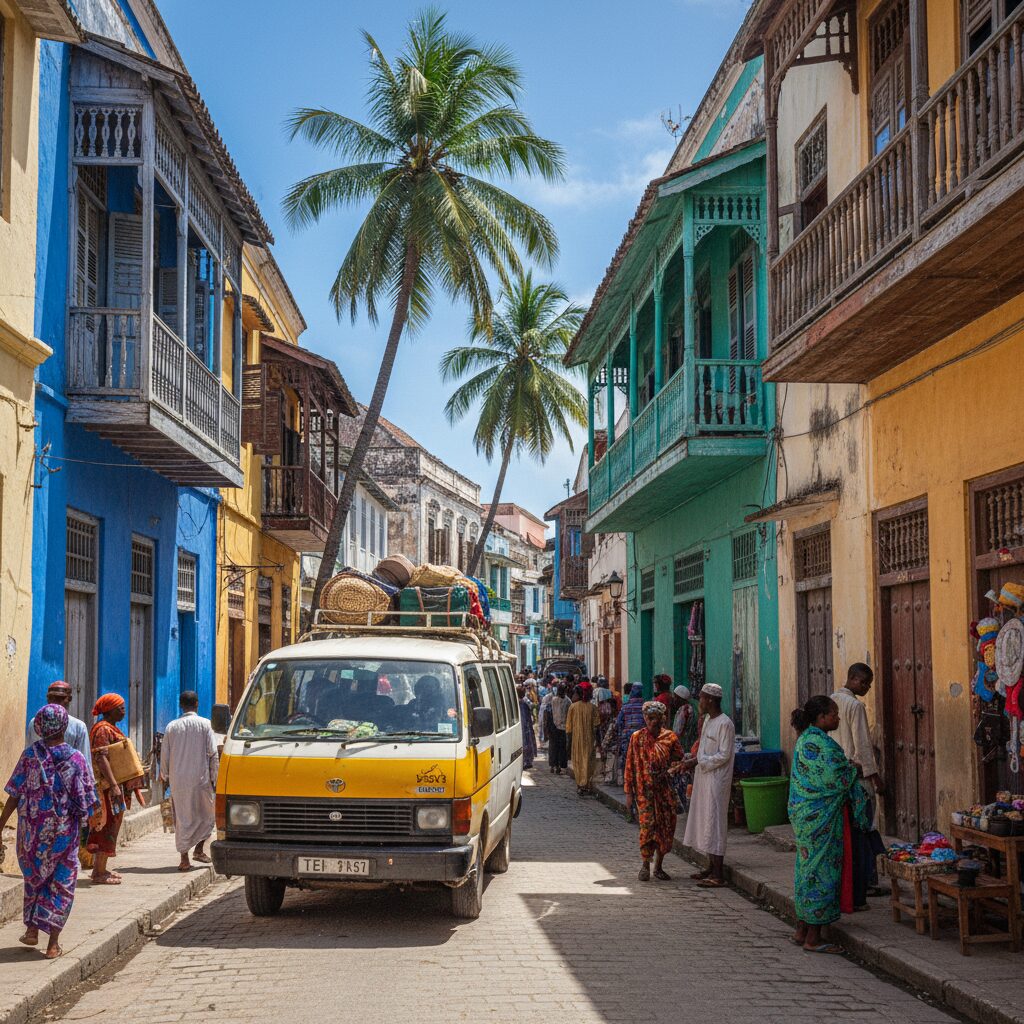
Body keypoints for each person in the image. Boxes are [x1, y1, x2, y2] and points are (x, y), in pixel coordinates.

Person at [0, 704, 98, 959]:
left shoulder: (30, 756)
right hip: (64, 836)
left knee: (34, 881)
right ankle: (53, 943)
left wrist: (0, 826)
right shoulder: (76, 759)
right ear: (65, 727)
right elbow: (87, 799)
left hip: (32, 836)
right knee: (61, 885)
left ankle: (32, 929)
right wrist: (92, 827)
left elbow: (13, 795)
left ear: (40, 727)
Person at [788, 694, 870, 953]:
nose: (837, 718)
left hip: (804, 818)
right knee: (822, 872)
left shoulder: (805, 740)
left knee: (805, 869)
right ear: (821, 718)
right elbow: (836, 777)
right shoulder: (822, 745)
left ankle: (801, 929)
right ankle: (813, 938)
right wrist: (854, 769)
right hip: (821, 820)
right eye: (834, 714)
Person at [832, 663, 886, 908]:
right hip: (858, 778)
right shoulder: (856, 706)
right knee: (865, 829)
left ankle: (852, 884)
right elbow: (863, 745)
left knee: (849, 833)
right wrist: (875, 776)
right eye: (864, 683)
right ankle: (866, 882)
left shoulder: (831, 701)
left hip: (838, 777)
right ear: (853, 679)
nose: (867, 687)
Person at [682, 683, 735, 888]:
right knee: (705, 819)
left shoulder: (725, 724)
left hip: (716, 779)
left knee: (715, 822)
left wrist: (698, 761)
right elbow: (703, 749)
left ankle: (718, 873)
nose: (700, 702)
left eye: (702, 698)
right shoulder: (706, 721)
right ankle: (710, 867)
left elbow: (724, 754)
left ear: (711, 700)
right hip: (704, 777)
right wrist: (692, 759)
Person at [624, 701, 685, 881]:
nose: (652, 723)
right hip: (644, 791)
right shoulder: (637, 738)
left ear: (662, 719)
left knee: (666, 827)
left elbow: (679, 759)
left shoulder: (670, 738)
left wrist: (670, 770)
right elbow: (630, 764)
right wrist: (629, 792)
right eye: (649, 719)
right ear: (645, 719)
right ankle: (645, 865)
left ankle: (658, 866)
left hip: (665, 791)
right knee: (647, 827)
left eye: (656, 719)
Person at [161, 691, 219, 872]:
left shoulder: (171, 727)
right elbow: (212, 753)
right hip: (200, 779)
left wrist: (165, 777)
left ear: (181, 705)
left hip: (178, 781)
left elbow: (165, 755)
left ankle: (185, 857)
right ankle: (199, 849)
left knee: (183, 818)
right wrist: (215, 777)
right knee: (207, 816)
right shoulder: (206, 725)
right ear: (197, 704)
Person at [86, 693, 140, 885]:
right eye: (120, 707)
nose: (123, 710)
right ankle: (98, 872)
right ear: (110, 710)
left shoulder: (110, 728)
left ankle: (100, 869)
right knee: (105, 827)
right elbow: (101, 758)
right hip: (108, 790)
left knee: (111, 827)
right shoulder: (102, 730)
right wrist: (115, 786)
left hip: (115, 788)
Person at [25, 682, 91, 768]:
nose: (55, 702)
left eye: (61, 699)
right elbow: (29, 757)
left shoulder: (78, 727)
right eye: (52, 698)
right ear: (47, 699)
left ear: (69, 699)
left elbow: (85, 763)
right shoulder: (35, 723)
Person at [565, 685, 601, 795]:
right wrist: (598, 742)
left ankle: (580, 785)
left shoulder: (573, 707)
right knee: (588, 762)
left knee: (578, 762)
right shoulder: (593, 707)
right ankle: (585, 785)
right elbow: (597, 726)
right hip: (589, 741)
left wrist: (569, 743)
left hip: (576, 741)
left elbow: (569, 728)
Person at [616, 683, 647, 788]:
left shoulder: (625, 706)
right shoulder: (645, 707)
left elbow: (618, 722)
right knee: (641, 758)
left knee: (627, 758)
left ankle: (628, 781)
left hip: (627, 737)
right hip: (642, 737)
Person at [548, 684, 571, 774]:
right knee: (556, 747)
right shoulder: (557, 700)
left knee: (559, 748)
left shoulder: (567, 701)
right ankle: (555, 765)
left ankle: (558, 766)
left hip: (561, 727)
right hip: (557, 727)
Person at [516, 685, 537, 770]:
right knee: (527, 742)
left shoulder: (516, 701)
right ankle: (527, 761)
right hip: (526, 723)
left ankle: (524, 761)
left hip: (521, 723)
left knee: (523, 742)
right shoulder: (525, 700)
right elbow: (532, 706)